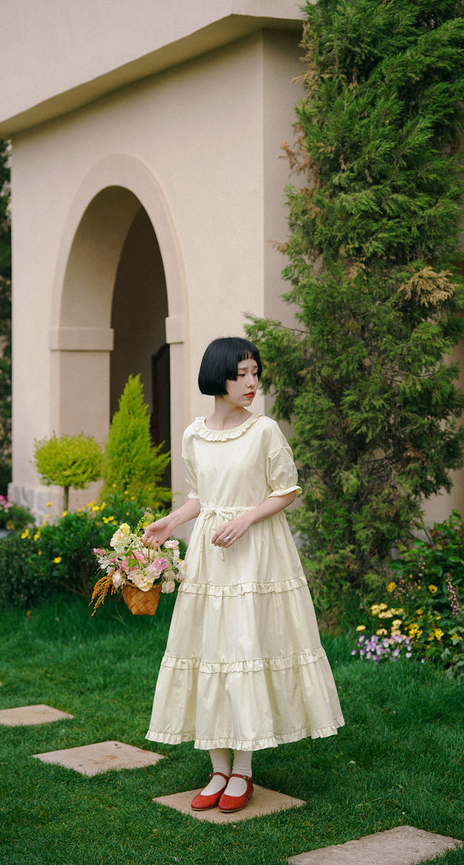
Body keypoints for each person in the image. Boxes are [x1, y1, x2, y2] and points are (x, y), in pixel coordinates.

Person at [144, 337, 344, 813]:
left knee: (244, 649)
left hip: (255, 556)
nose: (252, 383)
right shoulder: (194, 434)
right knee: (208, 650)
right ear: (219, 377)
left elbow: (287, 490)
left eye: (256, 372)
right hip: (210, 558)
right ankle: (217, 767)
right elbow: (201, 496)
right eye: (241, 374)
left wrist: (248, 518)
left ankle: (244, 772)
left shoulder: (265, 431)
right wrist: (172, 521)